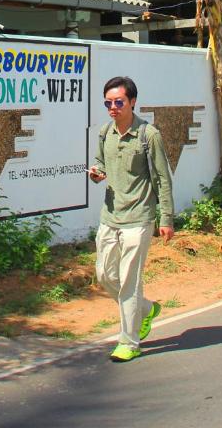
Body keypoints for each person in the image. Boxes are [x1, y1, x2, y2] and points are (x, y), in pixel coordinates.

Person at [89, 76, 174, 362]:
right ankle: (146, 309)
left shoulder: (149, 135)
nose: (112, 108)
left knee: (128, 282)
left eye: (118, 102)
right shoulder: (105, 133)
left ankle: (129, 341)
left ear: (132, 102)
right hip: (110, 216)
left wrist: (166, 218)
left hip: (139, 218)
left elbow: (163, 178)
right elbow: (101, 163)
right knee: (104, 275)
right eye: (108, 103)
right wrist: (96, 173)